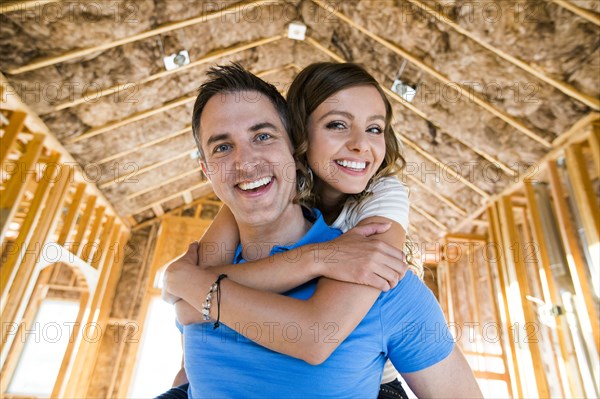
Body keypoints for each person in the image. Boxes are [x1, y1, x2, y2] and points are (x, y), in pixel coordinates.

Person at [161, 63, 482, 398]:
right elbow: (190, 377)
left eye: (263, 136)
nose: (246, 162)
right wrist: (186, 283)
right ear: (206, 171)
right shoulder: (209, 263)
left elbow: (315, 336)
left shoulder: (375, 268)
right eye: (222, 147)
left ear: (293, 148)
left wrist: (191, 287)